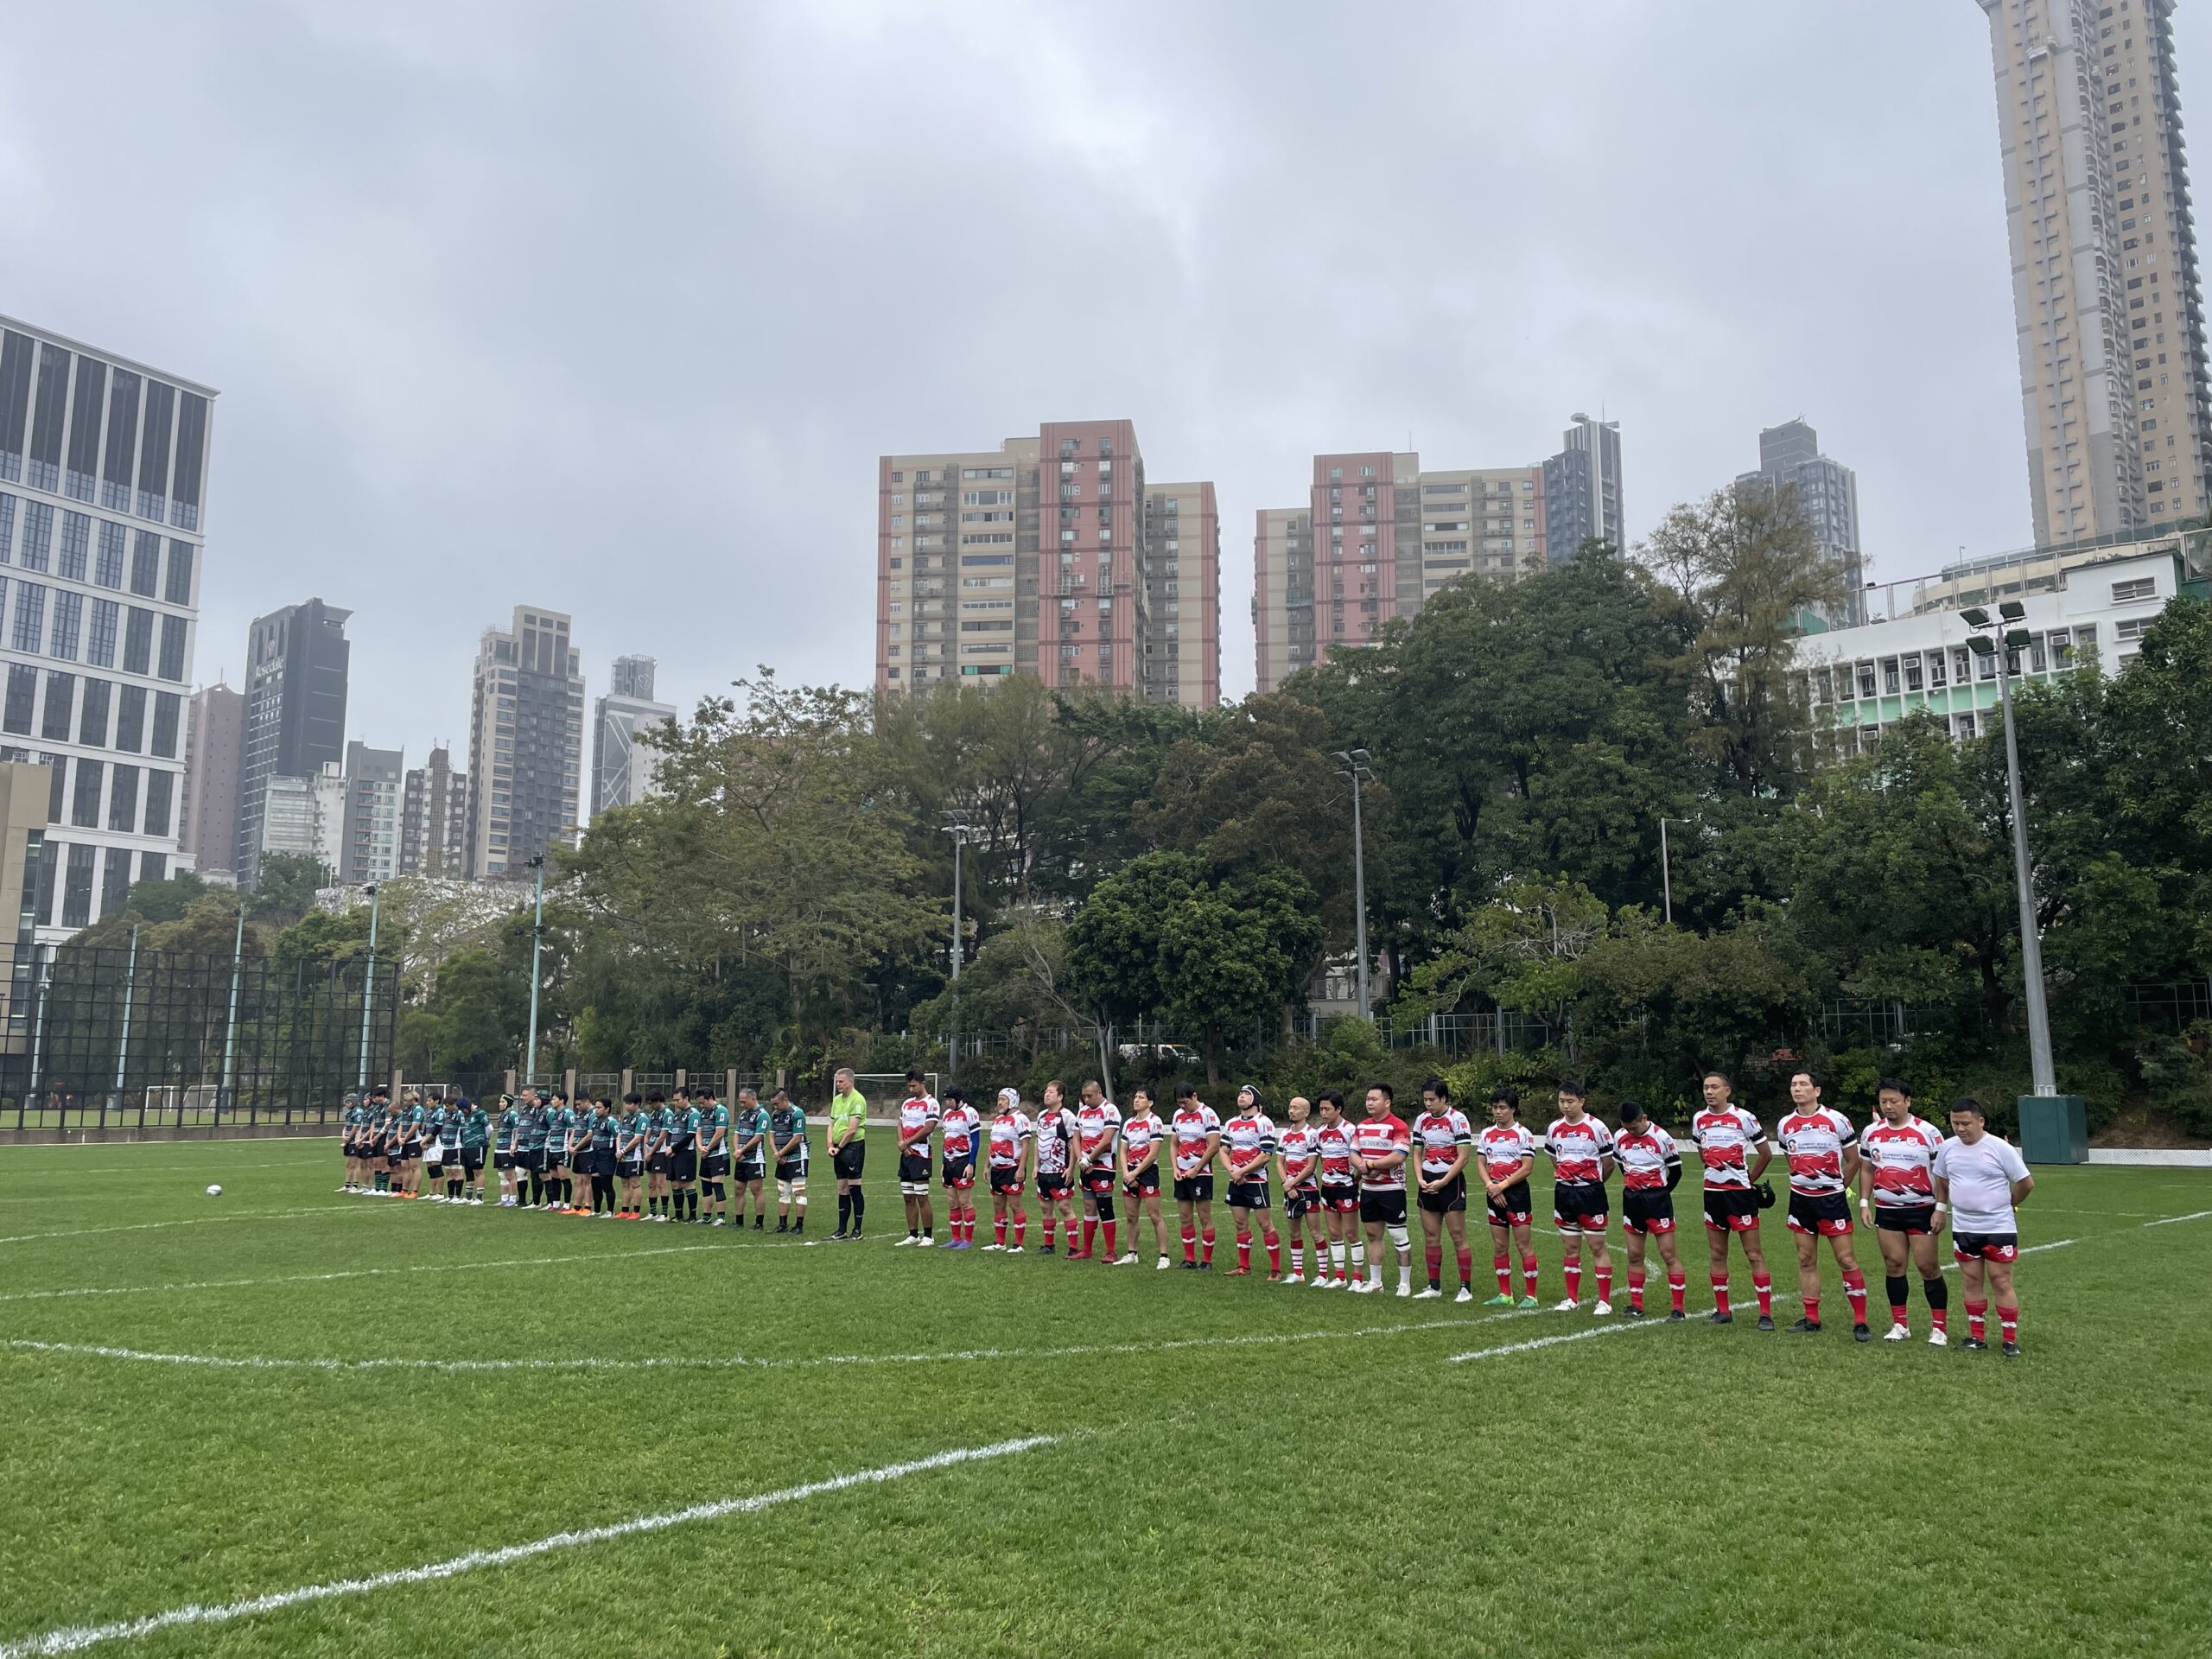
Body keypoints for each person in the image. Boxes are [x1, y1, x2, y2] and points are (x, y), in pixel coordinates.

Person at [1933, 1097, 2033, 1357]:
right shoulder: (1947, 1148)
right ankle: (1977, 1337)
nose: (1960, 1128)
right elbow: (1941, 1179)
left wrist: (2009, 1204)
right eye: (1955, 1123)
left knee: (2001, 1280)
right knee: (1971, 1280)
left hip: (1998, 1227)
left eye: (1965, 1123)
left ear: (1981, 1121)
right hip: (1964, 1227)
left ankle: (2009, 1340)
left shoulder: (1999, 1148)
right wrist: (1940, 1208)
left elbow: (2026, 1182)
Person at [1775, 1070, 1870, 1339]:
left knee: (1846, 1259)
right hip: (1800, 1200)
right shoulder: (1785, 1124)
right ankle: (1811, 1318)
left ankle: (1861, 1321)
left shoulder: (1836, 1120)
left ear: (1817, 1091)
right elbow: (1791, 1160)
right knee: (1805, 1259)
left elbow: (1853, 1161)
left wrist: (1838, 1188)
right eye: (1793, 1084)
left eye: (1803, 1084)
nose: (1797, 1088)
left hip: (1831, 1201)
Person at [1858, 1077, 1951, 1345]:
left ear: (1908, 1101)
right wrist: (1864, 1202)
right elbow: (1867, 1169)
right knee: (1894, 1265)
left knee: (1928, 1267)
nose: (1888, 1106)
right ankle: (1900, 1324)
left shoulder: (1928, 1132)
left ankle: (1939, 1328)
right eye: (1883, 1101)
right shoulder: (1871, 1132)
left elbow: (1941, 1175)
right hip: (1887, 1210)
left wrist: (1940, 1209)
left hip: (1922, 1209)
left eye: (1894, 1101)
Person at [1688, 1071, 1775, 1327]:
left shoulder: (1743, 1117)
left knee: (1753, 1253)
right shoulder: (1699, 1118)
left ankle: (1765, 1314)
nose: (1709, 1092)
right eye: (1706, 1087)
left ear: (1727, 1091)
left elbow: (1765, 1154)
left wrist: (1748, 1181)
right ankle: (1723, 1310)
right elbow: (1703, 1154)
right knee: (1717, 1253)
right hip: (1713, 1194)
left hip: (1740, 1196)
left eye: (1715, 1087)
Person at [1544, 1081, 1617, 1315]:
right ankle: (1571, 1299)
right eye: (1561, 1101)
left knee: (1597, 1247)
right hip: (1565, 1192)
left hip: (1591, 1193)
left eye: (1570, 1101)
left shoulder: (1596, 1127)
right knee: (1570, 1247)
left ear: (1582, 1101)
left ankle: (1604, 1301)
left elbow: (1608, 1163)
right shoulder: (1554, 1128)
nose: (1565, 1106)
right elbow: (1554, 1158)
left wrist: (1594, 1183)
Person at [1611, 1101, 1687, 1319]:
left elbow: (1676, 1172)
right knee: (1634, 1254)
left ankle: (1678, 1308)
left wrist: (1662, 1193)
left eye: (1634, 1127)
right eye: (1626, 1128)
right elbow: (1621, 1164)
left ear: (1644, 1118)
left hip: (1657, 1200)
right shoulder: (1620, 1137)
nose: (1631, 1132)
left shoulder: (1662, 1138)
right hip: (1632, 1199)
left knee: (1668, 1254)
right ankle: (1636, 1304)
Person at [1411, 1077, 1476, 1301]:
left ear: (1444, 1098)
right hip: (1427, 1181)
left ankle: (1465, 1288)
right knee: (1431, 1236)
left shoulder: (1458, 1119)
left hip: (1450, 1182)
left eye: (1432, 1100)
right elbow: (1417, 1153)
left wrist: (1444, 1181)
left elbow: (1463, 1157)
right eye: (1425, 1100)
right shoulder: (1421, 1120)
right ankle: (1434, 1286)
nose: (1428, 1104)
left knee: (1458, 1236)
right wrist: (1420, 1178)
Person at [1476, 1090, 1539, 1308]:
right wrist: (1490, 1186)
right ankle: (1505, 1294)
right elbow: (1481, 1163)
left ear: (1513, 1109)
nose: (1498, 1112)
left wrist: (1501, 1186)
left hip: (1516, 1194)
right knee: (1500, 1245)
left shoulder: (1523, 1134)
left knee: (1523, 1244)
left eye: (1502, 1107)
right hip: (1493, 1192)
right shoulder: (1486, 1134)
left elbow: (1527, 1168)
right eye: (1495, 1108)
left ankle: (1531, 1296)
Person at [1351, 1082, 1414, 1297]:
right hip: (1369, 1190)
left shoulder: (1398, 1126)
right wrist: (1363, 1166)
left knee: (1398, 1235)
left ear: (1387, 1102)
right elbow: (1353, 1153)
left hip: (1392, 1189)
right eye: (1368, 1099)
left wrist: (1370, 1165)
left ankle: (1404, 1283)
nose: (1369, 1102)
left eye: (1374, 1099)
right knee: (1373, 1235)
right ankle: (1376, 1282)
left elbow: (1399, 1156)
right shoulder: (1362, 1126)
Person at [1219, 1085, 1280, 1278]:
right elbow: (1223, 1150)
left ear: (1255, 1100)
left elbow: (1266, 1155)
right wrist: (1233, 1171)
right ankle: (1243, 1267)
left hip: (1256, 1181)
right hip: (1236, 1180)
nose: (1242, 1096)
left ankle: (1276, 1270)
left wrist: (1242, 1171)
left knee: (1265, 1224)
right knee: (1240, 1224)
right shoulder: (1231, 1123)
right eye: (1240, 1093)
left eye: (1247, 1094)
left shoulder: (1264, 1122)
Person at [1169, 1083, 1223, 1269]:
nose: (1182, 1106)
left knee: (1204, 1216)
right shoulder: (1178, 1115)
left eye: (1185, 1102)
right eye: (1179, 1103)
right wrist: (1175, 1168)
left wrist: (1197, 1169)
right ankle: (1189, 1259)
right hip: (1182, 1173)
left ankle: (1207, 1261)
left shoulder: (1208, 1114)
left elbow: (1214, 1146)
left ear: (1194, 1096)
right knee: (1185, 1216)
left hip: (1201, 1174)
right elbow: (1174, 1144)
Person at [1116, 1085, 1170, 1268]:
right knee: (1131, 1216)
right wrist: (1126, 1173)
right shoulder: (1129, 1123)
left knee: (1154, 1215)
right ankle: (1132, 1253)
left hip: (1147, 1173)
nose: (1136, 1100)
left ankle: (1164, 1256)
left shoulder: (1155, 1122)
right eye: (1136, 1097)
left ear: (1151, 1102)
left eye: (1141, 1097)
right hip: (1130, 1172)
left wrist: (1135, 1173)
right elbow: (1123, 1150)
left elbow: (1153, 1154)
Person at [1313, 1090, 1361, 1288]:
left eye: (1327, 1109)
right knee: (1334, 1233)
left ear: (1338, 1109)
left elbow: (1359, 1159)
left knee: (1351, 1233)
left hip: (1346, 1188)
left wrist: (1355, 1179)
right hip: (1328, 1188)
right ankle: (1340, 1277)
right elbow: (1321, 1159)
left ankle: (1357, 1278)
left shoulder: (1350, 1130)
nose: (1323, 1113)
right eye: (1321, 1109)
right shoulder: (1319, 1133)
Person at [1274, 1096, 1325, 1285]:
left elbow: (1311, 1166)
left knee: (1315, 1232)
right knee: (1294, 1233)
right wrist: (1286, 1184)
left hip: (1308, 1189)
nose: (1292, 1111)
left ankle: (1323, 1275)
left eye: (1296, 1108)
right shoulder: (1285, 1134)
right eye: (1290, 1107)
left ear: (1306, 1112)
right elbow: (1279, 1162)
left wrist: (1292, 1183)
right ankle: (1298, 1273)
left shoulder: (1312, 1134)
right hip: (1290, 1190)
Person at [1074, 1079, 1122, 1262]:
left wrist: (1089, 1159)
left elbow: (1106, 1140)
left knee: (1105, 1206)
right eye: (1084, 1096)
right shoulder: (1082, 1112)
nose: (1086, 1100)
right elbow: (1076, 1137)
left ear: (1099, 1093)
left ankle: (1111, 1252)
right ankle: (1086, 1250)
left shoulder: (1110, 1110)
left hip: (1104, 1166)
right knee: (1088, 1207)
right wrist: (1081, 1159)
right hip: (1085, 1166)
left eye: (1090, 1096)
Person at [1032, 1081, 1079, 1254]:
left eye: (1051, 1092)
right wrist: (1035, 1165)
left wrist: (1071, 1168)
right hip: (1044, 1171)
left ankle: (1073, 1248)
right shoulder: (1041, 1116)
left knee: (1064, 1207)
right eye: (1046, 1091)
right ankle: (1049, 1245)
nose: (1046, 1094)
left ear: (1060, 1097)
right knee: (1045, 1208)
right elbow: (1038, 1141)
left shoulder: (1067, 1117)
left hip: (1060, 1170)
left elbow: (1074, 1143)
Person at [982, 1087, 1033, 1250]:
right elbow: (992, 1143)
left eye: (1003, 1099)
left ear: (1013, 1101)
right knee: (998, 1206)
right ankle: (1000, 1243)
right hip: (997, 1170)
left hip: (1012, 1168)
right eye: (999, 1099)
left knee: (1015, 1206)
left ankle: (1018, 1244)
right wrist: (986, 1166)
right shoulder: (998, 1120)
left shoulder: (1020, 1119)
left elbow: (1026, 1145)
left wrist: (1021, 1168)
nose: (1000, 1102)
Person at [893, 1071, 940, 1248]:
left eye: (914, 1086)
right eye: (909, 1086)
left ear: (922, 1083)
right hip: (906, 1155)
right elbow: (900, 1124)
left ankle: (928, 1236)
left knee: (922, 1196)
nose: (911, 1089)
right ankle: (913, 1234)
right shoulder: (907, 1103)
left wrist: (907, 1143)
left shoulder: (931, 1103)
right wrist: (902, 1144)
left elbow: (929, 1128)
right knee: (908, 1197)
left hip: (921, 1155)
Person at [937, 1086, 981, 1249]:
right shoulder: (947, 1115)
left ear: (957, 1099)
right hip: (949, 1162)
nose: (947, 1103)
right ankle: (955, 1238)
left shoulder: (970, 1113)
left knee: (965, 1202)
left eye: (950, 1100)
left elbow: (975, 1141)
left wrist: (971, 1163)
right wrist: (943, 1162)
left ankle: (968, 1240)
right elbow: (946, 1139)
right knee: (952, 1202)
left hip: (963, 1161)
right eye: (946, 1100)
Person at [828, 1068, 868, 1240]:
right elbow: (831, 1124)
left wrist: (839, 1148)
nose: (838, 1084)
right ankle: (841, 1230)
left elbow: (852, 1130)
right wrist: (830, 1145)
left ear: (850, 1082)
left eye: (841, 1081)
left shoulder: (858, 1100)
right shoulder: (837, 1100)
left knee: (854, 1187)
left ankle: (857, 1230)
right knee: (842, 1188)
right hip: (838, 1148)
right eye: (837, 1081)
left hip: (853, 1148)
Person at [769, 1087, 809, 1233]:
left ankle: (799, 1226)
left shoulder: (797, 1113)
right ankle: (782, 1225)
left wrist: (780, 1153)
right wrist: (776, 1154)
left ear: (785, 1100)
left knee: (798, 1192)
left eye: (777, 1103)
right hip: (781, 1157)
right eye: (773, 1104)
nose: (775, 1107)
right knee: (782, 1191)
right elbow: (771, 1135)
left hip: (797, 1157)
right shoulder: (775, 1114)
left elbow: (797, 1138)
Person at [732, 1086, 772, 1230]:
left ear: (753, 1098)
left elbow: (758, 1137)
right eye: (740, 1102)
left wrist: (741, 1150)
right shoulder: (743, 1115)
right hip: (741, 1157)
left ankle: (759, 1222)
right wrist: (737, 1150)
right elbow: (737, 1133)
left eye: (744, 1101)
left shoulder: (762, 1115)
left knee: (756, 1189)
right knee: (738, 1189)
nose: (742, 1104)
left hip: (755, 1158)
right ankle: (739, 1220)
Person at [697, 1084, 731, 1226]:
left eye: (703, 1102)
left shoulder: (721, 1111)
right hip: (706, 1154)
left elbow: (719, 1133)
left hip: (719, 1154)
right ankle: (706, 1216)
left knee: (717, 1185)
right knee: (705, 1186)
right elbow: (698, 1132)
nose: (701, 1106)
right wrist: (701, 1147)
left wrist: (708, 1148)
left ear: (711, 1098)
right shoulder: (703, 1113)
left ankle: (721, 1218)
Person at [617, 1093, 650, 1218]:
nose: (627, 1106)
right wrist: (619, 1151)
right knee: (624, 1183)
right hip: (622, 1155)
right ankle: (625, 1210)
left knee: (635, 1183)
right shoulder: (626, 1118)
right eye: (626, 1103)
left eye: (629, 1104)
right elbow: (620, 1135)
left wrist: (623, 1151)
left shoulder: (642, 1118)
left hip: (635, 1156)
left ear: (637, 1104)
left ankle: (636, 1211)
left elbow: (638, 1139)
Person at [589, 1096, 621, 1217]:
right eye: (596, 1107)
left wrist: (618, 1151)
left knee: (606, 1184)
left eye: (599, 1108)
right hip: (595, 1154)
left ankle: (610, 1211)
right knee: (595, 1183)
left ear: (607, 1109)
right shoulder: (595, 1121)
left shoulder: (611, 1122)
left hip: (607, 1156)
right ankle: (597, 1210)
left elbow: (618, 1136)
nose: (596, 1110)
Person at [457, 1096, 489, 1204]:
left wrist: (486, 1140)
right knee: (468, 1171)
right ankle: (468, 1197)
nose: (463, 1112)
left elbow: (489, 1128)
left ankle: (479, 1198)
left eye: (463, 1110)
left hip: (477, 1145)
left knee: (478, 1170)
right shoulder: (463, 1116)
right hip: (466, 1146)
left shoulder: (480, 1113)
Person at [493, 1094, 521, 1207]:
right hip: (499, 1148)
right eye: (500, 1102)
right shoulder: (501, 1115)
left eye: (503, 1102)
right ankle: (504, 1198)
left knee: (510, 1175)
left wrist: (513, 1145)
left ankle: (512, 1199)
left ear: (508, 1103)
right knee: (502, 1175)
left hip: (507, 1149)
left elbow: (516, 1131)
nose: (500, 1104)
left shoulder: (513, 1115)